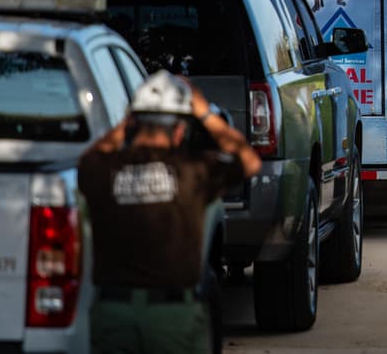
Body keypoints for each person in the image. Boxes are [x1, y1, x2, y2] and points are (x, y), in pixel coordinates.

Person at [78, 71, 261, 354]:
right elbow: (248, 160)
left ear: (133, 124)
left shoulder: (104, 170)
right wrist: (203, 113)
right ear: (179, 132)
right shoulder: (194, 171)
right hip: (174, 317)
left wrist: (128, 121)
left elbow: (88, 158)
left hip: (113, 314)